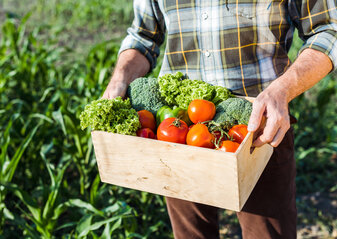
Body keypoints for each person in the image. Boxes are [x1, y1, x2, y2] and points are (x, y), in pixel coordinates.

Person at [102, 1, 337, 238]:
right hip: (180, 134)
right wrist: (120, 78)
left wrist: (283, 90)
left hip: (259, 130)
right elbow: (143, 37)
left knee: (267, 232)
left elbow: (329, 29)